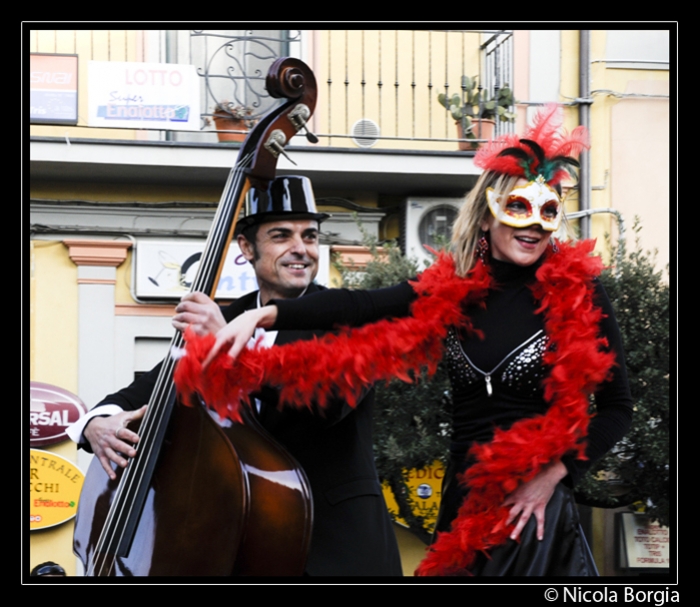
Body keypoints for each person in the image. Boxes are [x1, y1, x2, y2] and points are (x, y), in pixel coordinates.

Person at [179, 105, 633, 576]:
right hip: (462, 501)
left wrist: (554, 475)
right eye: (517, 207)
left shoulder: (578, 292)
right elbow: (361, 306)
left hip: (531, 511)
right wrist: (265, 315)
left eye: (547, 211)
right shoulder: (453, 290)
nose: (533, 224)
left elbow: (618, 408)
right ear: (485, 218)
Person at [67, 176, 403, 577]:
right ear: (246, 248)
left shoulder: (350, 317)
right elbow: (142, 393)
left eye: (310, 236)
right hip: (240, 548)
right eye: (282, 236)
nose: (301, 249)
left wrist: (223, 347)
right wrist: (95, 425)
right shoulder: (223, 320)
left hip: (335, 549)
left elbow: (327, 402)